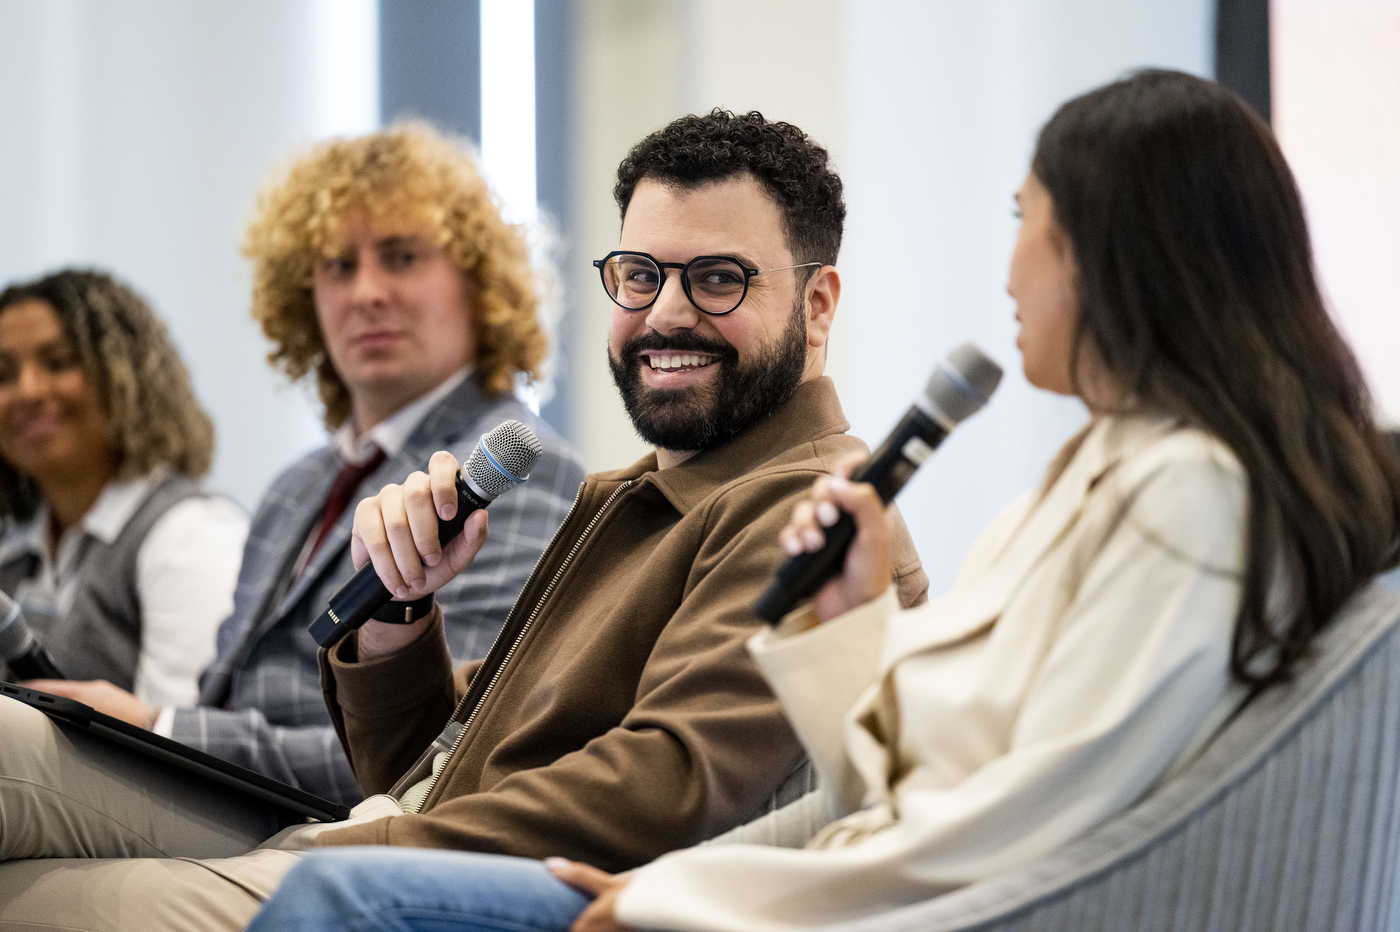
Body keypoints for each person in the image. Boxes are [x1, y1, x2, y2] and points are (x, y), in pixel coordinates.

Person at [243, 69, 1400, 932]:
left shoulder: (1185, 495)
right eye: (640, 276)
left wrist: (681, 896)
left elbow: (1018, 829)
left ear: (1119, 258)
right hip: (788, 892)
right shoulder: (1099, 473)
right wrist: (844, 631)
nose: (1005, 271)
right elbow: (910, 783)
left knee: (336, 889)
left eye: (1025, 225)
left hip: (840, 915)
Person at [0, 110, 927, 928]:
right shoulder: (634, 490)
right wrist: (402, 617)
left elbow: (670, 785)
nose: (665, 314)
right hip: (381, 837)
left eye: (719, 279)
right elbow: (438, 758)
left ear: (816, 304)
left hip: (424, 874)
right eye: (640, 275)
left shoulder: (812, 503)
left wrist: (352, 850)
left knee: (31, 905)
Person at [7, 124, 587, 807]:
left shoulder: (513, 470)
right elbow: (222, 694)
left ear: (482, 286)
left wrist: (160, 728)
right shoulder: (297, 487)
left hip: (333, 821)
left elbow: (449, 748)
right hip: (209, 798)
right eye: (338, 266)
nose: (367, 291)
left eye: (401, 256)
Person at [0, 269, 247, 710]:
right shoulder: (15, 545)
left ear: (126, 376)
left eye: (57, 363)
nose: (28, 391)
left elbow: (186, 755)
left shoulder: (189, 536)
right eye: (4, 374)